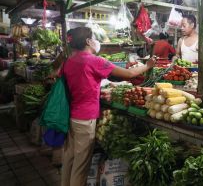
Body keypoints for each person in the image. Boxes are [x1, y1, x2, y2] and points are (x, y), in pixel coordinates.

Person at [61, 27, 156, 186]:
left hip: (71, 115)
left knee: (69, 158)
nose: (96, 41)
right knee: (81, 165)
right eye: (93, 37)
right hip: (86, 118)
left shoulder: (69, 61)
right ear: (87, 41)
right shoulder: (93, 60)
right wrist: (148, 65)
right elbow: (129, 74)